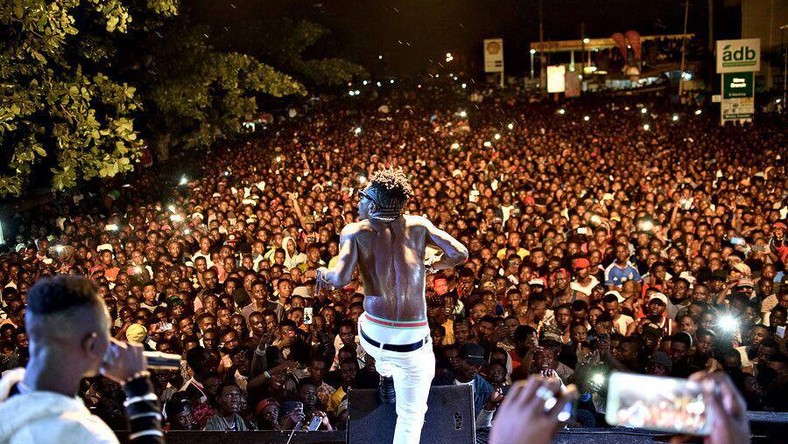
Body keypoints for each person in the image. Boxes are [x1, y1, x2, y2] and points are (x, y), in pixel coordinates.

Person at [318, 169, 469, 444]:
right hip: (413, 341)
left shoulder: (354, 231)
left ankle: (385, 370)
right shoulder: (420, 225)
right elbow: (460, 253)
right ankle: (390, 371)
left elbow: (338, 279)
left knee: (364, 323)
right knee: (411, 419)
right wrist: (435, 264)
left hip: (373, 335)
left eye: (362, 198)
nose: (358, 203)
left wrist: (321, 272)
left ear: (373, 205)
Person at [0, 275, 162, 443]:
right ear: (90, 343)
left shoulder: (6, 396)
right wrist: (138, 387)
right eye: (106, 333)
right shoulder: (86, 434)